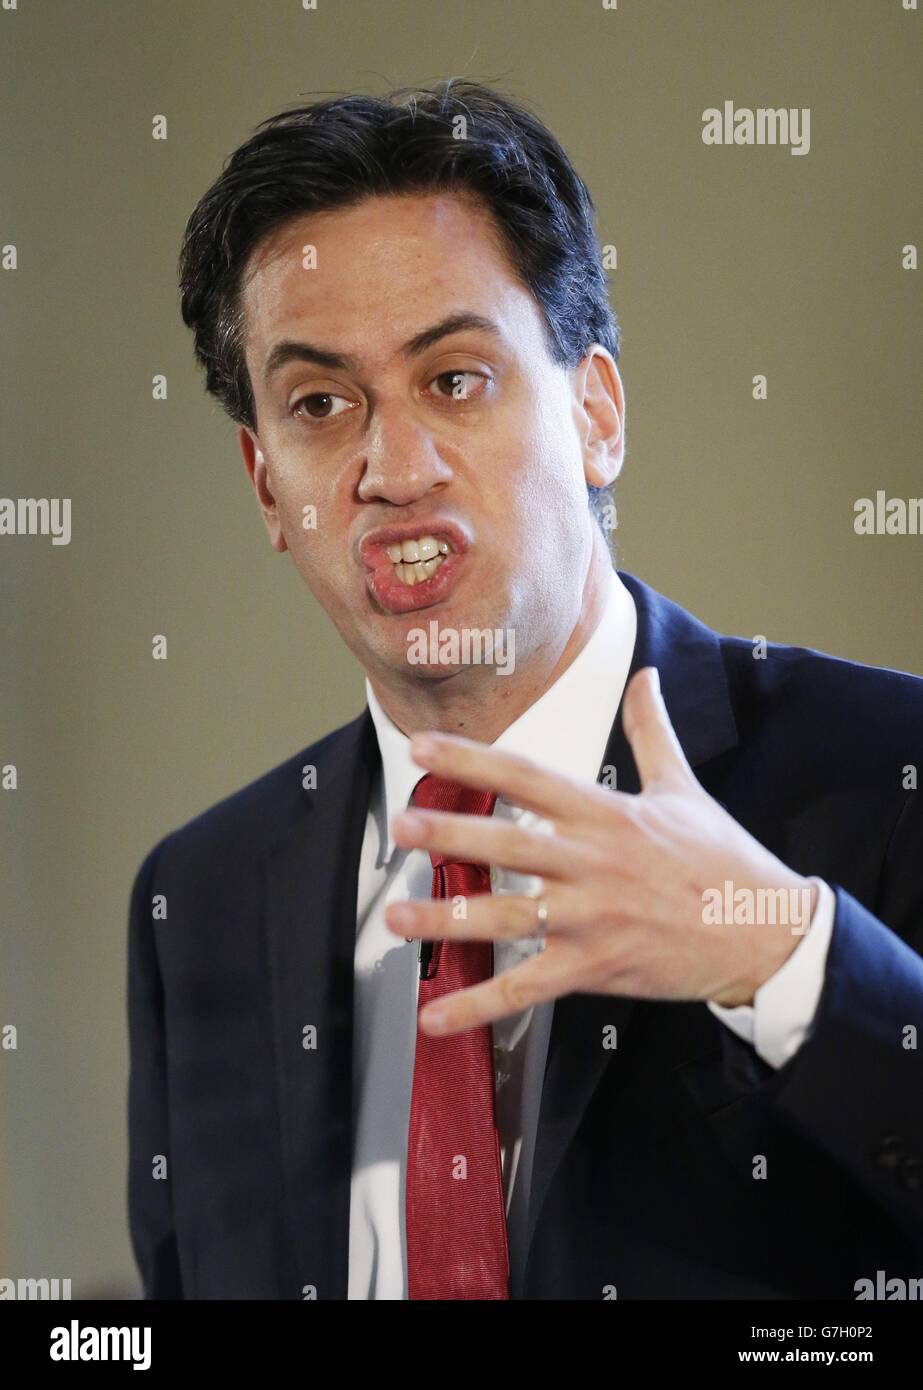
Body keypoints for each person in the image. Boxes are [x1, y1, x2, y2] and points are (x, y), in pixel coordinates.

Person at [128, 80, 923, 1300]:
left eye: (454, 379)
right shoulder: (202, 900)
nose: (393, 470)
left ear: (594, 413)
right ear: (263, 485)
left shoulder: (883, 772)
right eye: (320, 406)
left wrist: (783, 958)